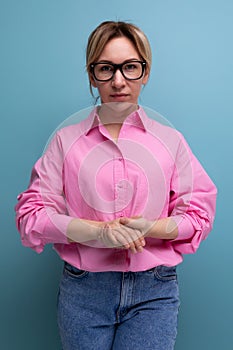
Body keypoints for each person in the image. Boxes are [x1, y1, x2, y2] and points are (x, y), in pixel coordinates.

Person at [15, 21, 217, 350]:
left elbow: (200, 216)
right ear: (92, 75)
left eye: (130, 67)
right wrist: (97, 232)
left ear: (145, 72)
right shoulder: (66, 142)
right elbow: (30, 217)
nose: (118, 81)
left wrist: (152, 226)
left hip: (155, 291)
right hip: (84, 292)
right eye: (106, 68)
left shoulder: (171, 141)